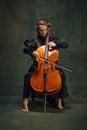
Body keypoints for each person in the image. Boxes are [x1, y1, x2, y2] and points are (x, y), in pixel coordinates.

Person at [22, 20, 68, 112]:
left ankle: (58, 100)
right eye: (41, 30)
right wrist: (32, 52)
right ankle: (25, 101)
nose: (43, 32)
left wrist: (56, 44)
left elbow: (65, 45)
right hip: (38, 66)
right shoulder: (35, 41)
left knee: (62, 74)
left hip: (51, 66)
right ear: (38, 31)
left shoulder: (52, 39)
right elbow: (25, 49)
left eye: (45, 30)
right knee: (28, 76)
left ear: (47, 30)